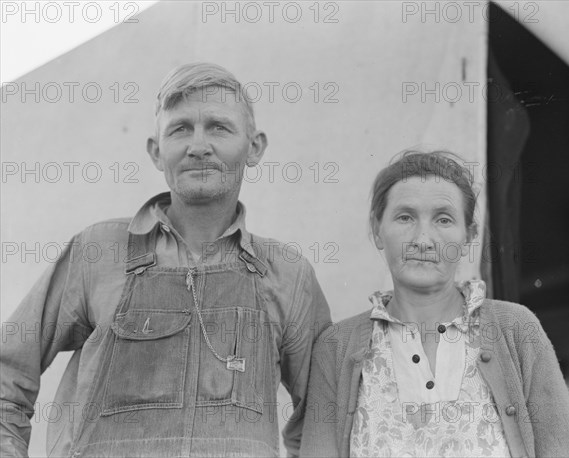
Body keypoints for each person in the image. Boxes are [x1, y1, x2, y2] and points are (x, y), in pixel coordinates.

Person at [0, 62, 331, 458]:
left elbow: (324, 415)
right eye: (180, 129)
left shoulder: (288, 274)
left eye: (218, 127)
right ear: (157, 152)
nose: (198, 146)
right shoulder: (98, 252)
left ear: (254, 147)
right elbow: (7, 372)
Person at [300, 151, 569, 457]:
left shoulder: (516, 329)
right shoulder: (336, 348)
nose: (423, 239)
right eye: (405, 217)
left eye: (443, 219)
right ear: (377, 229)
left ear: (469, 235)